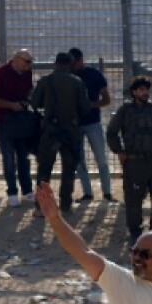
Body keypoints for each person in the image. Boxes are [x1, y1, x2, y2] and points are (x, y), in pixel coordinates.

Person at [106, 77, 152, 244]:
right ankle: (135, 233)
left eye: (146, 90)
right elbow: (112, 132)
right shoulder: (125, 111)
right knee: (134, 200)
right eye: (141, 90)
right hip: (134, 162)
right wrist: (119, 151)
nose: (145, 93)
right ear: (134, 92)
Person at [30, 52, 91, 215]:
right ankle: (65, 206)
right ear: (70, 65)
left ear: (55, 64)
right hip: (70, 131)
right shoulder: (77, 82)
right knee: (69, 169)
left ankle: (41, 207)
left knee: (44, 170)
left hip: (50, 130)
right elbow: (85, 108)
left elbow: (34, 103)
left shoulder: (45, 81)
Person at [0, 48, 37, 207]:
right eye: (26, 62)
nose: (28, 65)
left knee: (23, 156)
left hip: (21, 119)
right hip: (4, 120)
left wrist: (26, 101)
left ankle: (27, 190)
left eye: (30, 62)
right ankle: (12, 192)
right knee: (9, 157)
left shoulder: (27, 73)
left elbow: (29, 90)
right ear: (16, 59)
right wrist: (11, 105)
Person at [69, 48, 115, 203]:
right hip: (75, 124)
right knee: (79, 161)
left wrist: (90, 105)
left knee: (101, 159)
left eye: (76, 62)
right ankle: (87, 193)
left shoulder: (94, 74)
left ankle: (107, 193)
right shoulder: (68, 76)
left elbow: (107, 99)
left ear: (81, 60)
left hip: (92, 122)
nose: (74, 65)